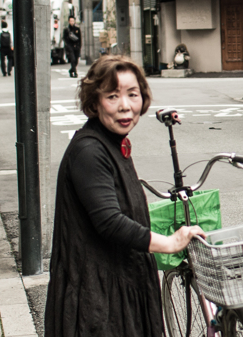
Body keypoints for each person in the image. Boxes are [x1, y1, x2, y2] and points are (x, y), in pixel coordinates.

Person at [45, 55, 204, 337]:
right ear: (94, 103)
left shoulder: (112, 143)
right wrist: (169, 242)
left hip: (116, 286)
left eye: (133, 94)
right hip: (97, 301)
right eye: (112, 96)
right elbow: (109, 221)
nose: (125, 106)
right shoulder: (90, 151)